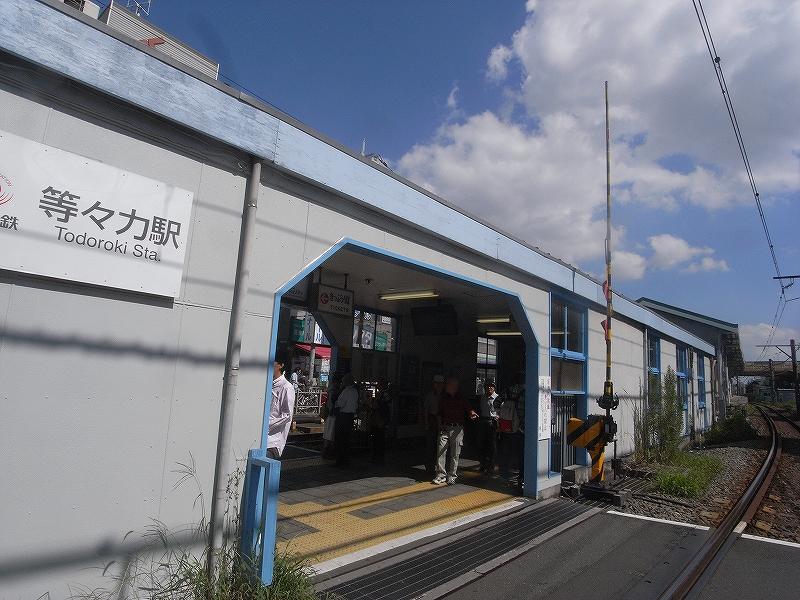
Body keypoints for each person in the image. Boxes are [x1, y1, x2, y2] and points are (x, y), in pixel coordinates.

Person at [433, 377, 477, 485]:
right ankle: (440, 475)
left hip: (457, 429)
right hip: (445, 428)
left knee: (455, 454)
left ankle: (452, 476)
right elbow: (439, 413)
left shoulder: (461, 398)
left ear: (454, 387)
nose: (446, 386)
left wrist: (472, 413)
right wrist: (440, 426)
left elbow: (469, 409)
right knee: (440, 451)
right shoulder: (444, 398)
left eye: (448, 384)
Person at [498, 372, 526, 494]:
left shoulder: (507, 390)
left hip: (506, 427)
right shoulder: (526, 391)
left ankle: (505, 477)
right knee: (520, 455)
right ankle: (519, 479)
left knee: (506, 453)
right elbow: (523, 411)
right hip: (519, 429)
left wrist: (504, 414)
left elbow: (495, 404)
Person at [267, 351, 296, 459]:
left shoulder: (286, 387)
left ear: (281, 365)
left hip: (272, 442)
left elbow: (287, 415)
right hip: (259, 438)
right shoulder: (267, 384)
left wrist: (266, 425)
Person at [334, 373, 359, 467]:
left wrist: (335, 403)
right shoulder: (355, 391)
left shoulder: (346, 391)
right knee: (347, 439)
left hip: (343, 416)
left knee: (340, 439)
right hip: (351, 416)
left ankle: (340, 461)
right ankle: (346, 460)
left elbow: (340, 403)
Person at [423, 375, 445, 475]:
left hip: (443, 421)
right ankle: (429, 466)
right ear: (433, 384)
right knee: (430, 444)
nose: (438, 385)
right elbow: (426, 410)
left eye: (440, 383)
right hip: (432, 420)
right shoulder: (430, 395)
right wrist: (426, 423)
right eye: (436, 383)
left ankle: (440, 466)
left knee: (441, 445)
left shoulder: (445, 396)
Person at [477, 379, 500, 474]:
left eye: (492, 386)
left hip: (493, 422)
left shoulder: (498, 398)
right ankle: (483, 464)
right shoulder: (483, 397)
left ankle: (491, 465)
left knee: (492, 445)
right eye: (487, 386)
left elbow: (501, 410)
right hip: (483, 421)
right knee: (482, 444)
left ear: (494, 388)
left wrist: (498, 419)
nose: (489, 387)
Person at [371, 377, 392, 464]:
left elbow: (385, 406)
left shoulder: (384, 394)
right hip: (382, 418)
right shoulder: (384, 394)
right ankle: (378, 457)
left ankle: (378, 457)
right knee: (379, 438)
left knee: (379, 438)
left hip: (381, 419)